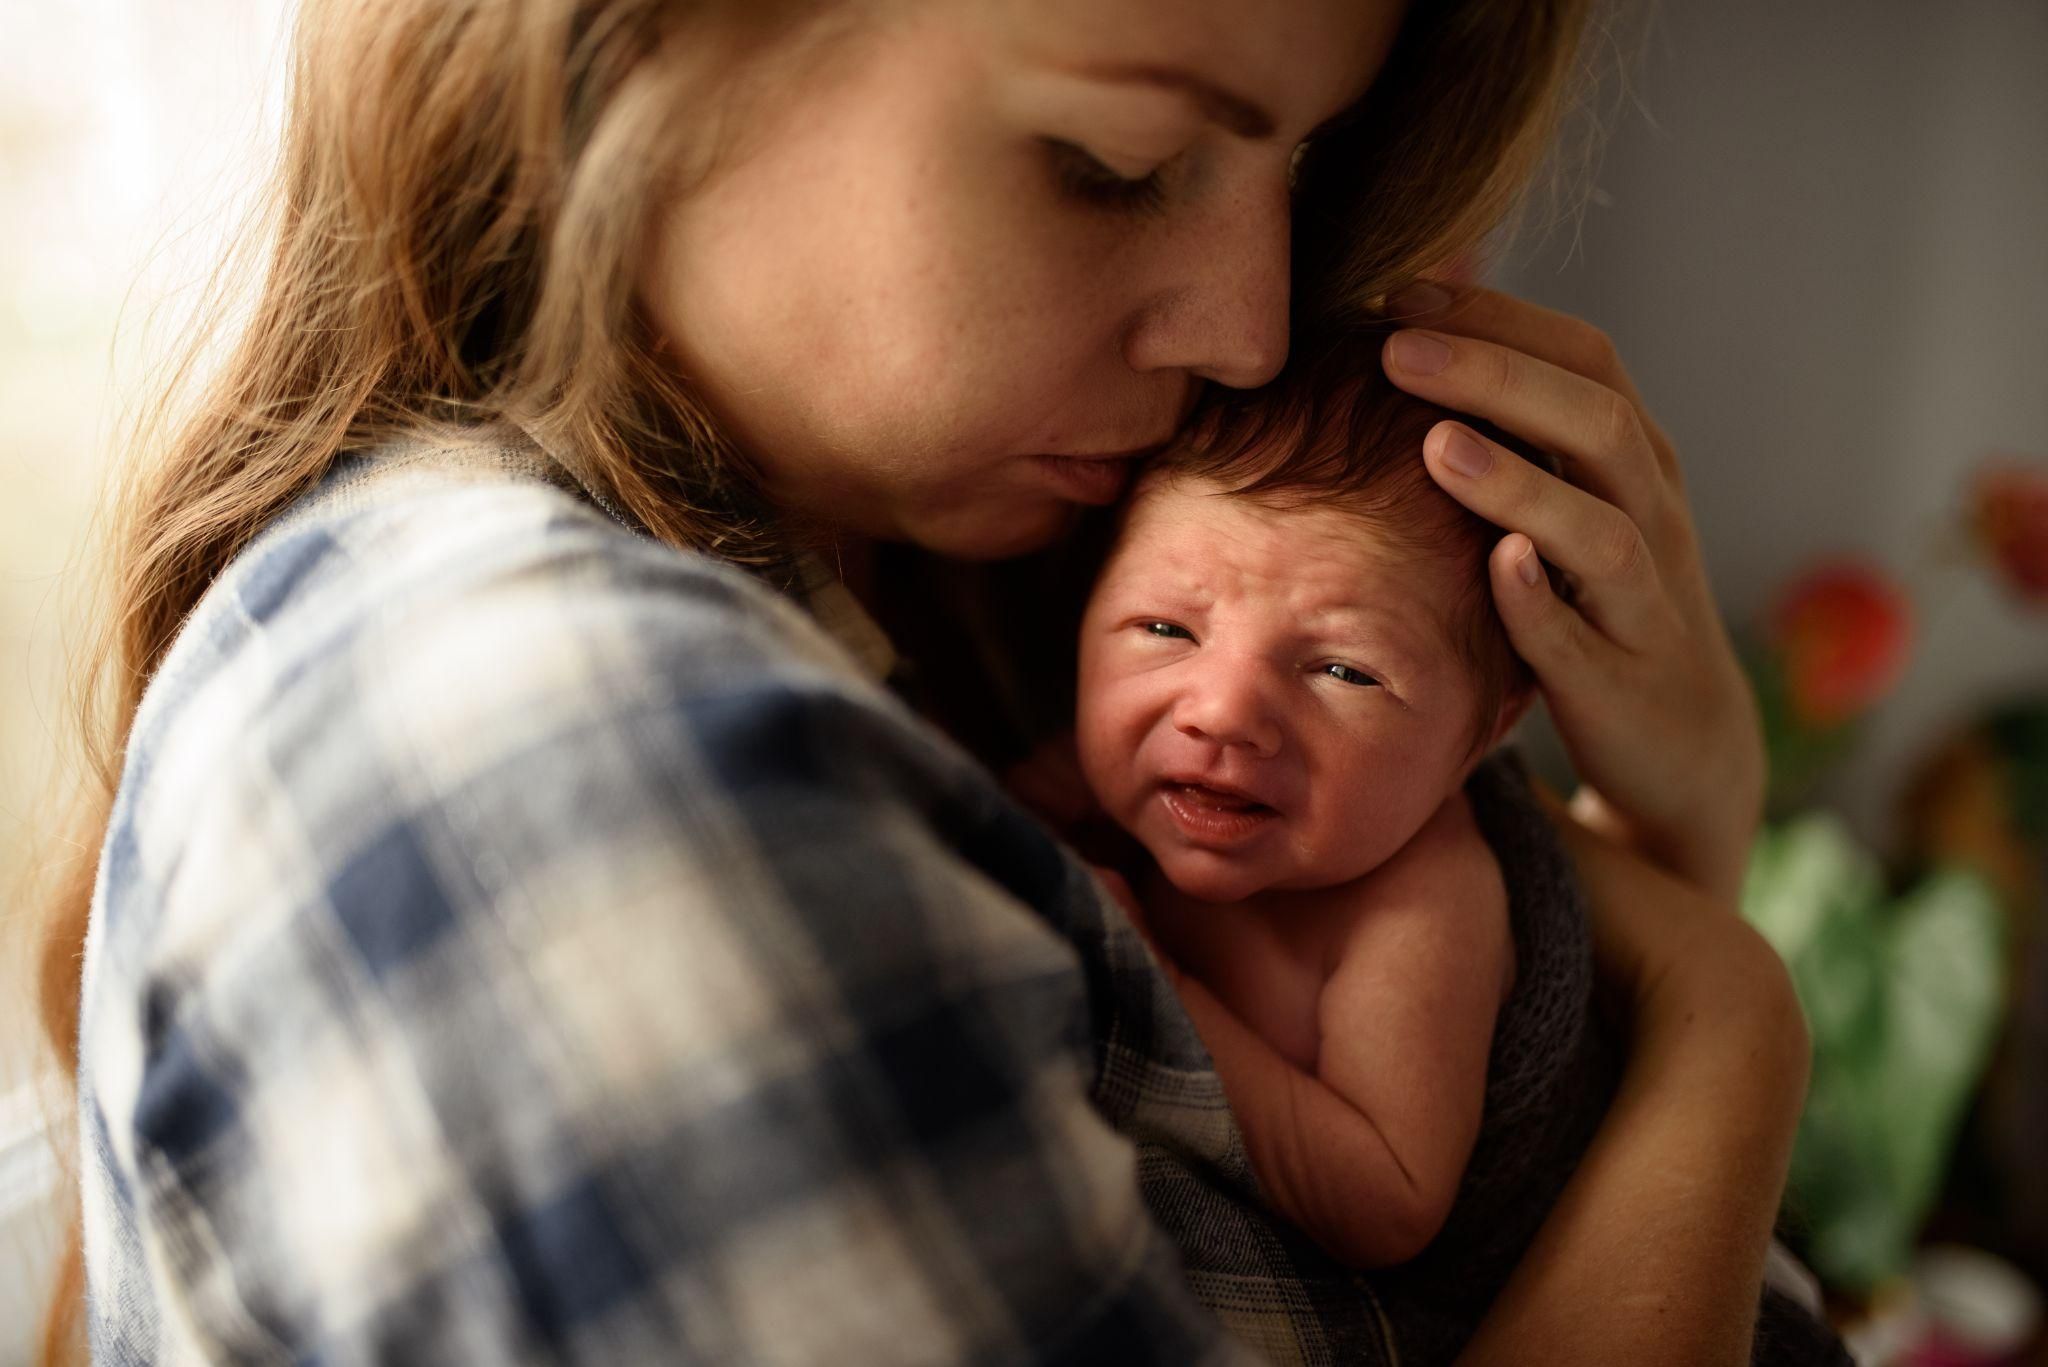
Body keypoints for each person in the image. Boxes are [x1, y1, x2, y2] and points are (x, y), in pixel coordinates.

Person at [27, 1, 1814, 1363]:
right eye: (1109, 165)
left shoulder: (929, 629)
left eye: (1302, 174)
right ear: (655, 49)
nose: (1250, 329)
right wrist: (1722, 1020)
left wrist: (1665, 819)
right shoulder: (575, 755)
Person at [1054, 336, 1843, 1363]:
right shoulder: (1093, 770)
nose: (1221, 711)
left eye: (1342, 668)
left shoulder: (1422, 904)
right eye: (1163, 626)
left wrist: (1166, 988)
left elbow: (1387, 1194)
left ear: (1481, 732)